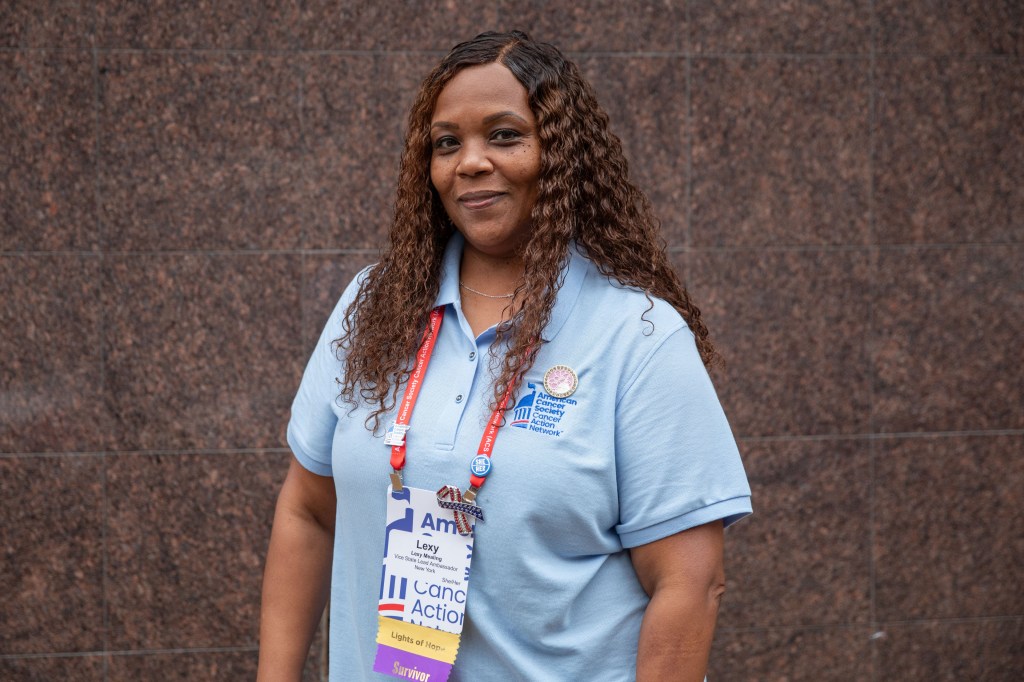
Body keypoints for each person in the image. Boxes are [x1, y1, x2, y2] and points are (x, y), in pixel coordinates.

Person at [258, 30, 751, 682]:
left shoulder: (638, 337)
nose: (470, 162)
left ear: (560, 154)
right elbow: (308, 510)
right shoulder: (371, 306)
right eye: (447, 143)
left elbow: (690, 583)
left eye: (505, 135)